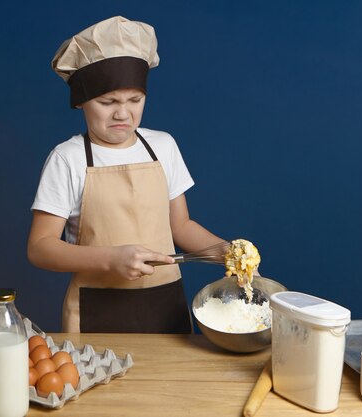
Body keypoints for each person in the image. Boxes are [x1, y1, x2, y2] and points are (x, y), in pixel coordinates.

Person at [27, 16, 225, 333]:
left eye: (135, 100)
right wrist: (110, 259)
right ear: (81, 102)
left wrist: (226, 252)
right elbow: (40, 246)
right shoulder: (68, 158)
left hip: (166, 308)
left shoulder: (164, 146)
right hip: (95, 311)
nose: (123, 113)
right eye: (108, 102)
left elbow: (181, 226)